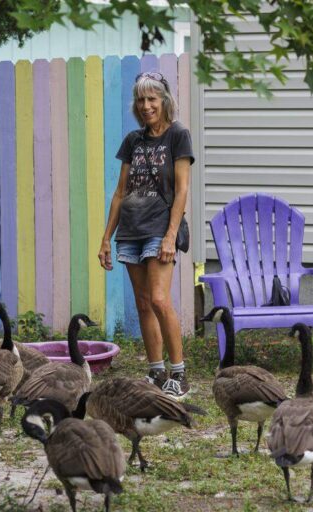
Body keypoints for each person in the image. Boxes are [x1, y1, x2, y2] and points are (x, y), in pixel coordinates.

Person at [98, 71, 194, 399]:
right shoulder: (133, 141)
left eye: (152, 99)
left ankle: (179, 374)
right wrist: (106, 238)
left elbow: (182, 190)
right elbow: (120, 192)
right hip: (130, 230)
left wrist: (170, 236)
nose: (146, 105)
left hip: (159, 228)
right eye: (141, 100)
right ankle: (156, 370)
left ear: (164, 101)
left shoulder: (178, 136)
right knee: (142, 303)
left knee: (159, 299)